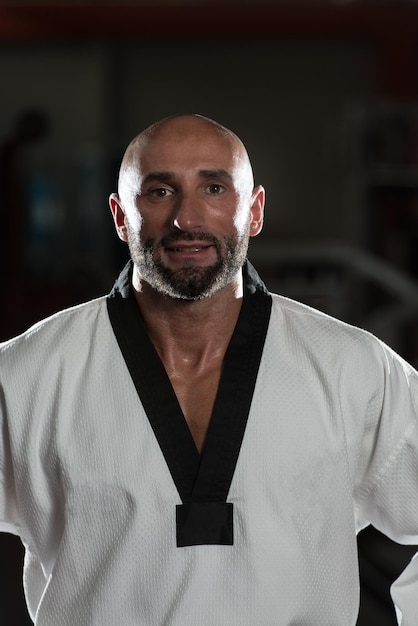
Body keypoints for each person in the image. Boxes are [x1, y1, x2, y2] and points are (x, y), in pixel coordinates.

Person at [0, 113, 417, 626]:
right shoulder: (25, 374)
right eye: (158, 192)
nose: (186, 218)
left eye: (214, 187)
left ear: (255, 210)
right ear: (120, 216)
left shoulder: (354, 368)